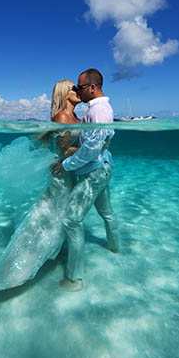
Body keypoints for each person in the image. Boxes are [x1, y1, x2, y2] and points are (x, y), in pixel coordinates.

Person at [0, 79, 81, 294]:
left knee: (57, 213)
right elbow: (65, 151)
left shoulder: (75, 117)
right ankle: (22, 265)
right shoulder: (63, 116)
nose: (78, 91)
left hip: (69, 171)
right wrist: (93, 150)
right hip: (61, 173)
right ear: (65, 94)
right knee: (52, 214)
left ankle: (54, 252)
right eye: (74, 88)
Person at [52, 68, 120, 292]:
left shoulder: (98, 110)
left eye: (80, 87)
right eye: (75, 89)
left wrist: (65, 164)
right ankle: (114, 247)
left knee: (71, 220)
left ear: (92, 87)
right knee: (107, 212)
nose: (78, 92)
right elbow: (94, 143)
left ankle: (74, 279)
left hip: (95, 171)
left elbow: (90, 150)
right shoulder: (95, 109)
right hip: (101, 167)